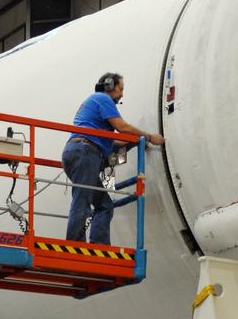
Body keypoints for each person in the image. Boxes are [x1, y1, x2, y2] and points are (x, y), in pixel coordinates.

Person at [62, 73, 163, 244]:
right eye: (120, 88)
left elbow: (111, 141)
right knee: (83, 201)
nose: (122, 93)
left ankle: (99, 247)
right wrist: (150, 137)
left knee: (104, 205)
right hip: (85, 153)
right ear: (109, 85)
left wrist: (135, 142)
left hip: (82, 152)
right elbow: (122, 127)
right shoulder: (102, 98)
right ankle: (75, 245)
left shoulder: (94, 102)